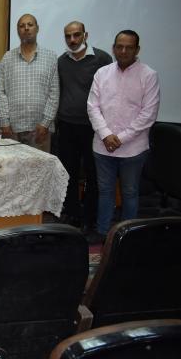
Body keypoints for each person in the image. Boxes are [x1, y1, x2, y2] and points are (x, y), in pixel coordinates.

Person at [87, 30, 160, 243]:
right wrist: (106, 135)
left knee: (130, 192)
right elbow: (92, 107)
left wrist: (120, 138)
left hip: (133, 149)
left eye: (129, 47)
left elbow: (149, 114)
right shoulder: (102, 73)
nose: (123, 51)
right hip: (102, 146)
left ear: (137, 50)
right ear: (114, 48)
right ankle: (103, 233)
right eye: (119, 46)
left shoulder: (149, 75)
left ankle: (127, 237)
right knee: (105, 192)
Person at [56, 21, 112, 231]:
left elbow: (110, 92)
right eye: (68, 36)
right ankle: (72, 213)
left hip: (93, 127)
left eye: (76, 35)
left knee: (92, 174)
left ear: (85, 35)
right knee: (68, 173)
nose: (72, 40)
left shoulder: (102, 59)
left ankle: (89, 217)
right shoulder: (62, 61)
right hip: (66, 125)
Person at [0, 13, 59, 152]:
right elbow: (0, 92)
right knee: (12, 166)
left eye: (30, 25)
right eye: (22, 26)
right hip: (12, 129)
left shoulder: (50, 57)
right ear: (17, 30)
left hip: (40, 129)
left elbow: (54, 93)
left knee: (40, 166)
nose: (26, 28)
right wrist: (4, 123)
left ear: (37, 28)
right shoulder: (7, 58)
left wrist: (45, 123)